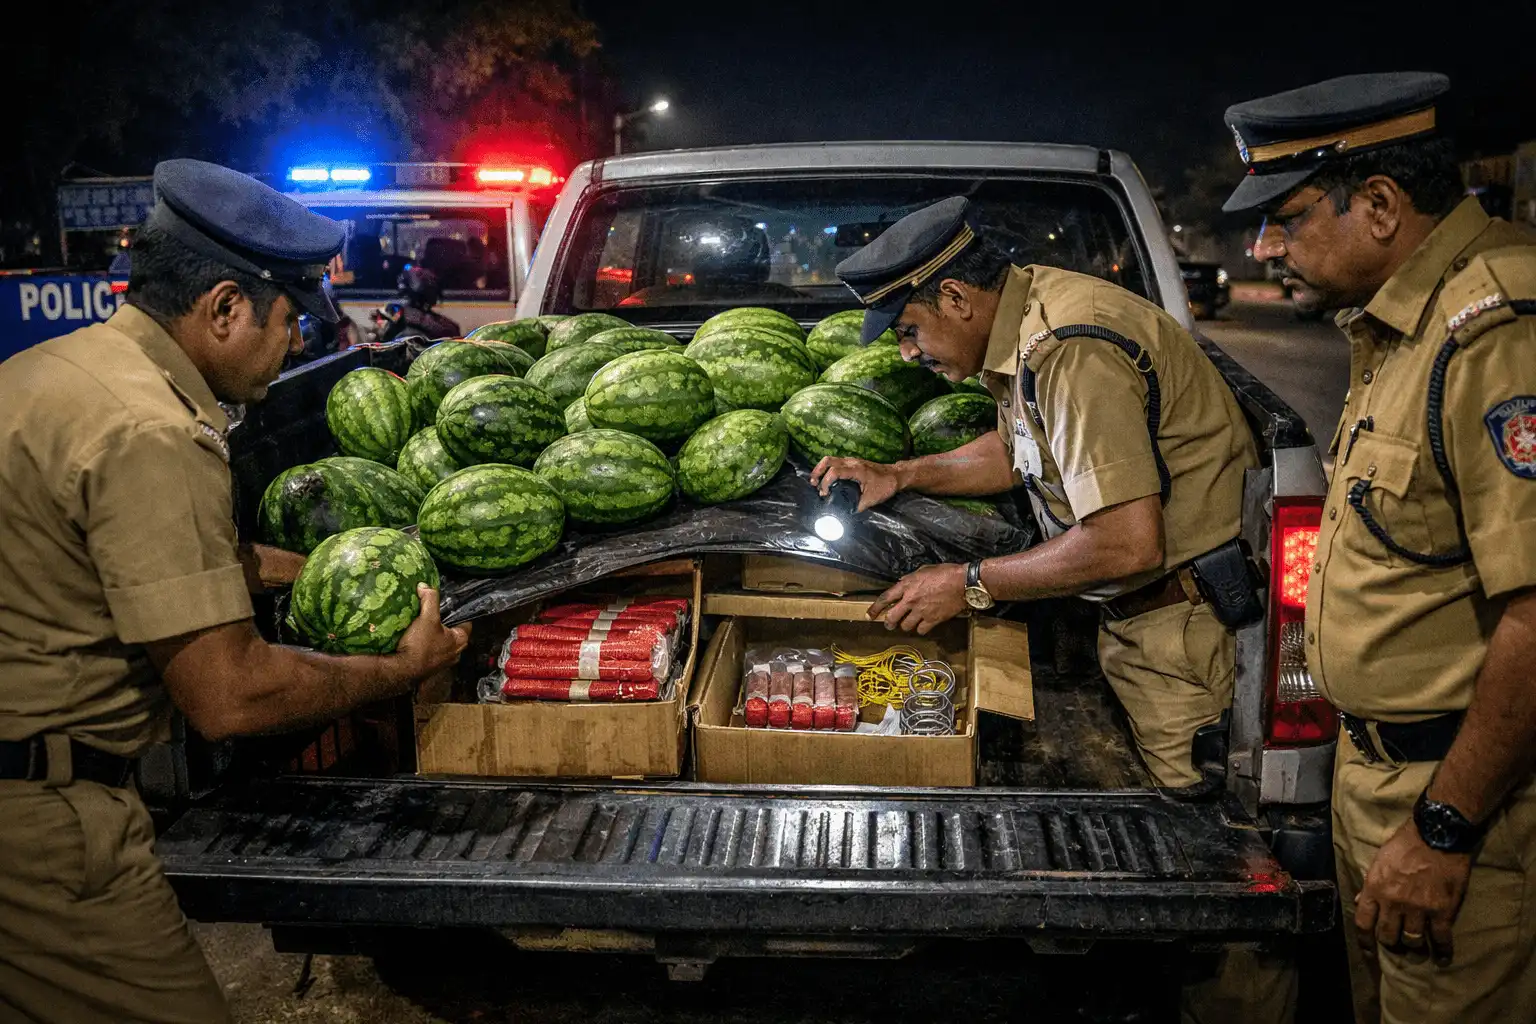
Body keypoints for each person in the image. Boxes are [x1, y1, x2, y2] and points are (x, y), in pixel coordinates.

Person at [0, 159, 471, 1024]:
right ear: (223, 308)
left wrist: (327, 560)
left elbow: (143, 563)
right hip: (37, 831)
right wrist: (398, 669)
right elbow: (230, 694)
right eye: (290, 319)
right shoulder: (154, 432)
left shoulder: (60, 373)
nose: (296, 344)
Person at [812, 196, 1290, 1022]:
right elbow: (1024, 447)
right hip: (1134, 621)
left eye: (908, 329)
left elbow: (1125, 543)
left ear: (956, 299)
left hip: (1179, 633)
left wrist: (966, 584)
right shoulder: (1035, 318)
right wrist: (908, 472)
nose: (908, 351)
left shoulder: (1071, 348)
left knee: (1214, 893)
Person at [1223, 72, 1536, 1023]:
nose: (1265, 246)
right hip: (1377, 784)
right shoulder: (1400, 324)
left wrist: (1443, 829)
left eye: (1286, 216)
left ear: (1384, 205)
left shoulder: (1496, 331)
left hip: (1469, 807)